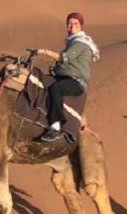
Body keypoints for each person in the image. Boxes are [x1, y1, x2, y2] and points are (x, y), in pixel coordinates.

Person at [36, 11, 99, 142]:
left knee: (56, 89)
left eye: (75, 23)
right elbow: (69, 65)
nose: (72, 26)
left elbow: (65, 58)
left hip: (77, 82)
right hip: (66, 77)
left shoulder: (81, 43)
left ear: (81, 26)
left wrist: (44, 52)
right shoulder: (71, 42)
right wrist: (56, 70)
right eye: (69, 23)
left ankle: (56, 126)